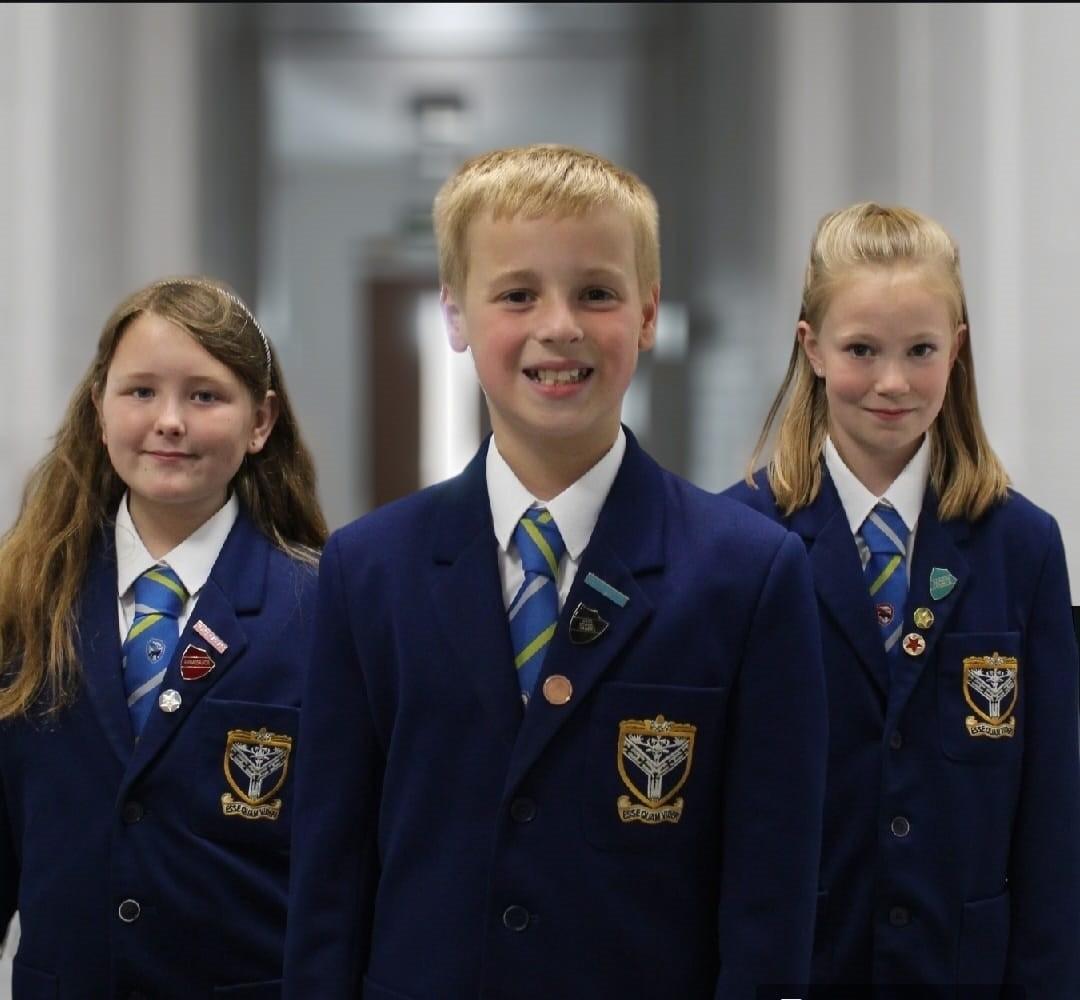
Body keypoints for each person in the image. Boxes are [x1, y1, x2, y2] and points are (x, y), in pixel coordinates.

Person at [283, 144, 827, 1000]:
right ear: (455, 315)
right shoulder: (368, 572)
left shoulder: (749, 575)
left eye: (597, 294)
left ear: (647, 315)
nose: (560, 326)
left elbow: (772, 889)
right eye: (517, 295)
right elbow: (329, 880)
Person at [724, 202, 1080, 996]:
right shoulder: (736, 542)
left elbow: (1052, 818)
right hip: (800, 967)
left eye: (921, 350)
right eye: (861, 350)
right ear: (812, 348)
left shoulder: (1021, 547)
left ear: (957, 349)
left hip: (963, 973)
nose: (893, 382)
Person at [0, 277, 327, 998]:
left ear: (260, 421)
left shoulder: (324, 610)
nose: (169, 421)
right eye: (141, 391)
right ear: (99, 408)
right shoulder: (26, 601)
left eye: (205, 396)